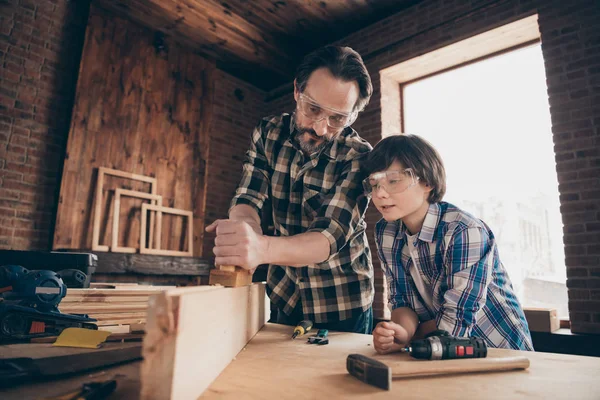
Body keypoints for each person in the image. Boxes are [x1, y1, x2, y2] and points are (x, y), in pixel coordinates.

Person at [206, 46, 375, 333]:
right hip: (284, 294)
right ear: (297, 91)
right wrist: (243, 232)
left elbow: (327, 238)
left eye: (337, 118)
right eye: (313, 109)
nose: (321, 128)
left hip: (342, 300)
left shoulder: (359, 157)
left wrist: (260, 248)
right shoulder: (268, 133)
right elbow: (248, 197)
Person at [362, 134, 533, 352]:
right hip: (434, 348)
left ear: (427, 182)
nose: (380, 194)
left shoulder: (464, 230)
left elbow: (455, 322)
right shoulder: (386, 231)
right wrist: (401, 333)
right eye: (374, 184)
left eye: (393, 181)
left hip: (501, 351)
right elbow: (401, 299)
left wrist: (413, 335)